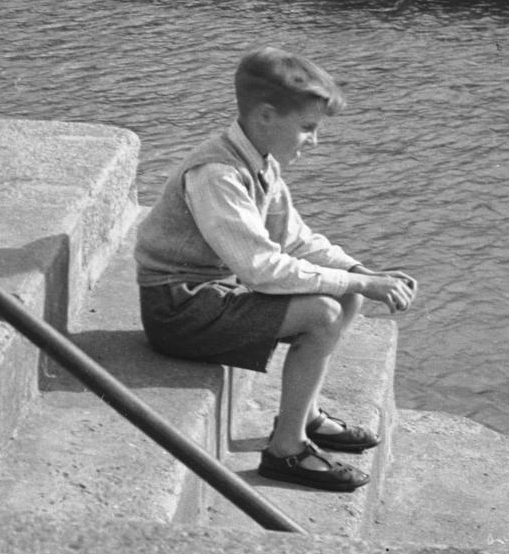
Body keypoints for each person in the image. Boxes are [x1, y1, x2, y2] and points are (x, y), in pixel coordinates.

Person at [135, 49, 417, 494]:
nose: (315, 140)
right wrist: (359, 280)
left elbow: (295, 240)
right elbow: (261, 269)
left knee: (348, 293)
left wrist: (359, 271)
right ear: (266, 116)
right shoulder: (217, 173)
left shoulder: (260, 162)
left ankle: (303, 416)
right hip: (178, 310)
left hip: (211, 297)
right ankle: (286, 449)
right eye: (308, 128)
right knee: (322, 314)